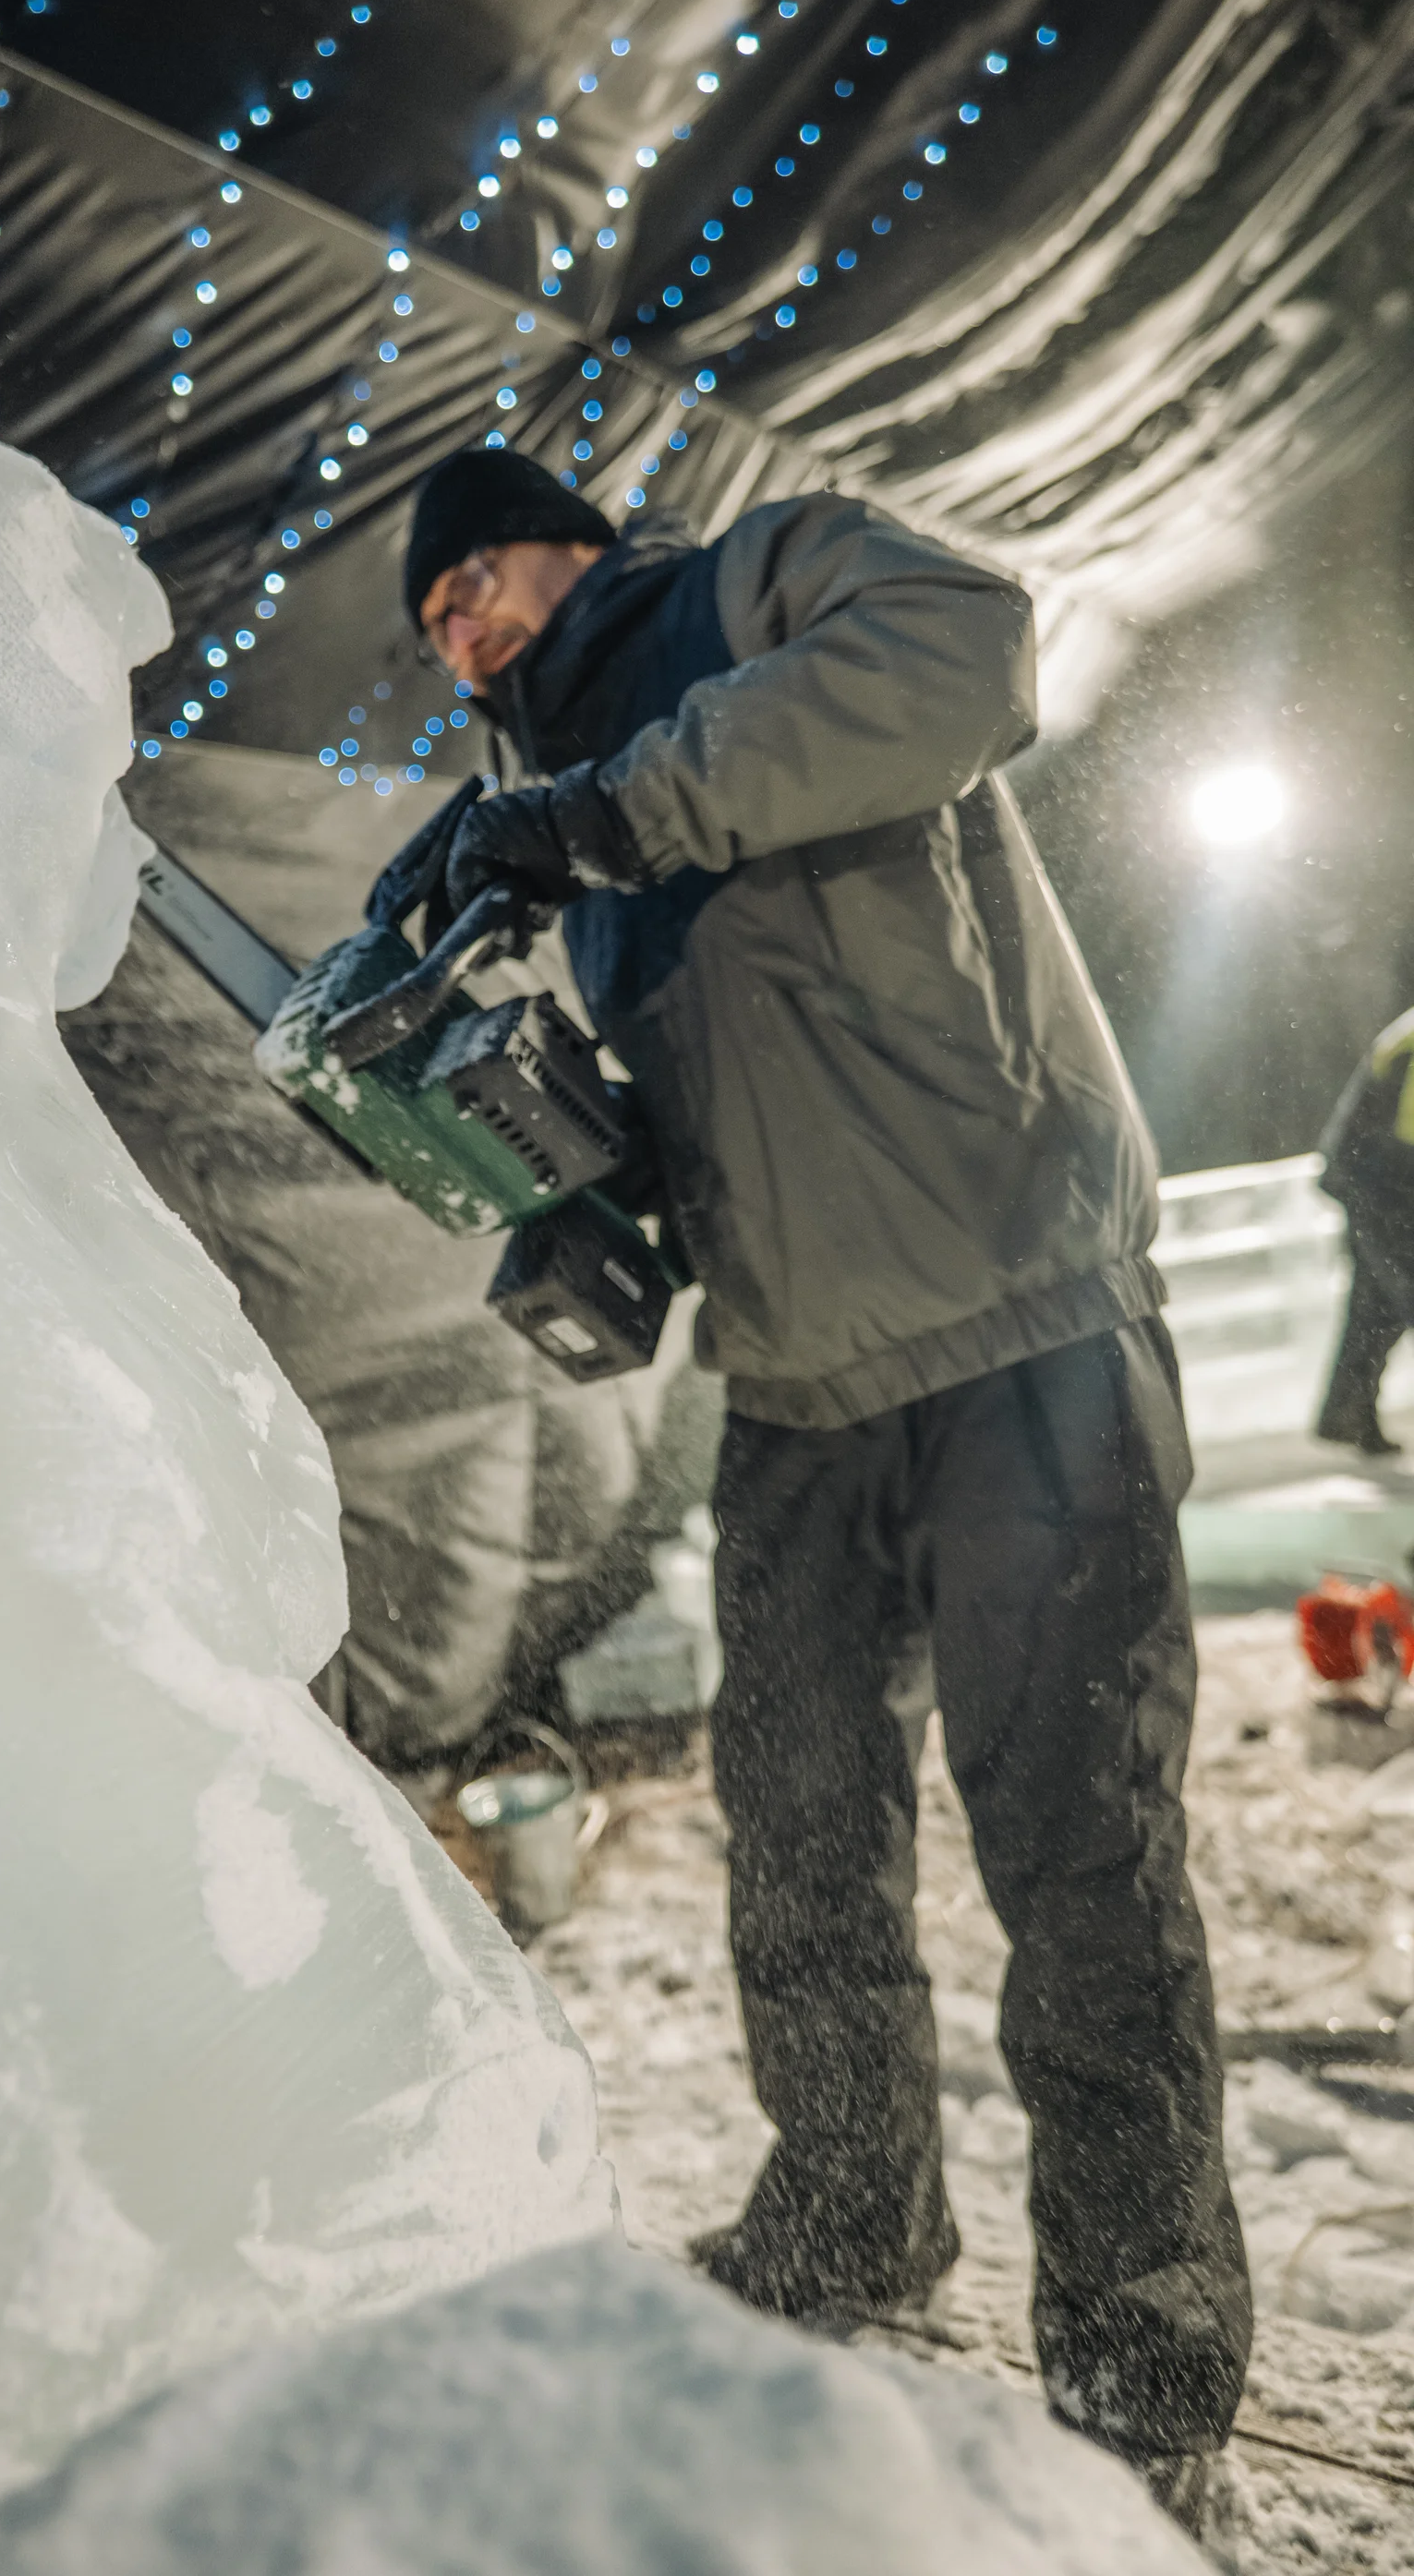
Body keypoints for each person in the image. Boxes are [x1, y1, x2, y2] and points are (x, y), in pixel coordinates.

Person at [381, 445, 1251, 2540]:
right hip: (792, 1386)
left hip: (1016, 1329)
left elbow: (972, 653)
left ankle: (1138, 2354)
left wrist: (590, 813)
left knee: (1076, 1863)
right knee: (795, 1841)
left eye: (475, 585)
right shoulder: (580, 838)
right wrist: (575, 1193)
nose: (467, 638)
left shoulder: (752, 589)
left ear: (569, 542)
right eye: (437, 637)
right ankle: (847, 2212)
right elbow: (730, 1097)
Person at [1314, 1006, 1414, 1456]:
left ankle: (1349, 1417)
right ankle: (1350, 1415)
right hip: (1385, 1180)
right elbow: (1407, 1133)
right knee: (1403, 1294)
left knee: (1375, 1308)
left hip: (1370, 1175)